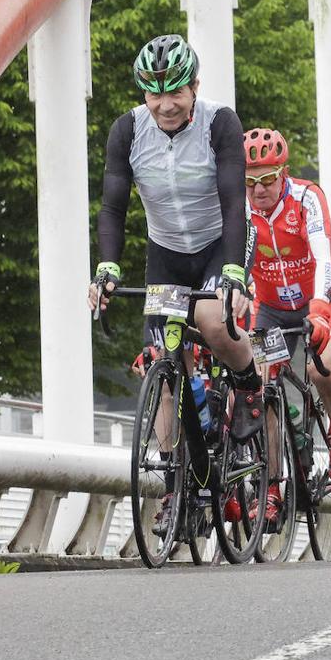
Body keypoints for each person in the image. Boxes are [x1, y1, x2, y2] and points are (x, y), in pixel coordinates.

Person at [88, 34, 259, 527]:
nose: (165, 104)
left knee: (211, 318)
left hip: (218, 241)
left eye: (176, 92)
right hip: (165, 252)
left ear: (194, 87)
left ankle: (247, 383)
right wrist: (108, 267)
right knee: (165, 363)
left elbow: (233, 203)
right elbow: (113, 207)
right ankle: (176, 483)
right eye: (154, 93)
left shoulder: (219, 123)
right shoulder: (127, 131)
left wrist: (232, 272)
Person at [243, 127, 331, 524]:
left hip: (324, 297)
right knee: (263, 386)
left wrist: (322, 309)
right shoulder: (241, 209)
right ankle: (273, 486)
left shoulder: (306, 197)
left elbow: (323, 253)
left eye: (268, 180)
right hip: (272, 306)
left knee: (319, 367)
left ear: (283, 173)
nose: (259, 190)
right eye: (250, 181)